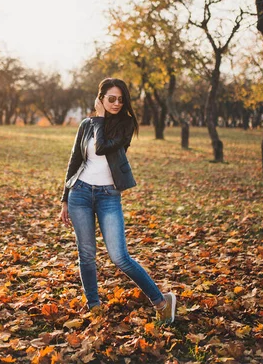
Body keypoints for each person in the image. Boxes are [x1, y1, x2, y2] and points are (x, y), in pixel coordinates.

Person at [58, 77, 176, 323]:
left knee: (119, 256)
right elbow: (74, 161)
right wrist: (65, 199)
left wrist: (100, 118)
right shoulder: (85, 125)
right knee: (87, 254)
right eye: (111, 98)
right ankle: (94, 306)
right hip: (80, 192)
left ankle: (162, 302)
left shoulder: (126, 125)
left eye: (120, 99)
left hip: (108, 196)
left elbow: (101, 148)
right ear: (100, 99)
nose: (116, 103)